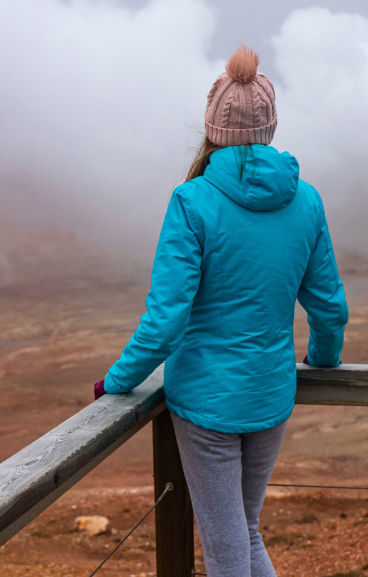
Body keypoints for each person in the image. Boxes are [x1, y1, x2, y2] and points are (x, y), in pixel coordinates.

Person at [93, 45, 348, 577]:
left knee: (227, 550)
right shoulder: (307, 201)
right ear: (271, 126)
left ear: (212, 126)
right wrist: (323, 359)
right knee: (245, 533)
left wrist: (115, 382)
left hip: (207, 402)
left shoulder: (191, 201)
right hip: (272, 392)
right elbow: (328, 306)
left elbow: (166, 321)